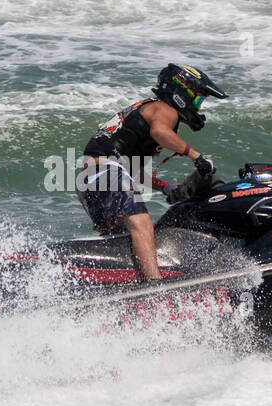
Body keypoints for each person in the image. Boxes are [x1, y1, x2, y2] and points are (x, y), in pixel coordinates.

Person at [76, 64, 227, 280]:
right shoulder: (164, 109)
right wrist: (197, 157)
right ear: (181, 93)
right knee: (141, 223)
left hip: (90, 179)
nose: (198, 107)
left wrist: (166, 187)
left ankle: (122, 286)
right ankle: (155, 286)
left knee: (121, 240)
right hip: (105, 171)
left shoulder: (145, 112)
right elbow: (160, 132)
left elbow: (132, 172)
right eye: (198, 99)